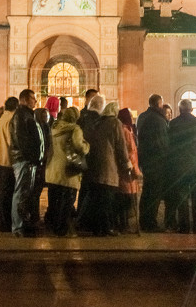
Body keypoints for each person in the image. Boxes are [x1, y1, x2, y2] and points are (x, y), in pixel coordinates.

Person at [77, 95, 130, 236]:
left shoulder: (96, 122)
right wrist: (126, 164)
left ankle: (96, 228)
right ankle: (105, 228)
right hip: (108, 167)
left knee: (96, 198)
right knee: (106, 199)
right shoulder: (114, 123)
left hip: (93, 166)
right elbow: (121, 146)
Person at [45, 106, 89, 236]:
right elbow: (79, 146)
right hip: (67, 170)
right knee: (66, 202)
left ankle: (52, 226)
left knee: (54, 201)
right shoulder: (75, 129)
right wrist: (87, 146)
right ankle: (61, 229)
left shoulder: (54, 127)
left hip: (52, 168)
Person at [167, 98, 196, 233]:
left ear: (179, 109)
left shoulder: (173, 124)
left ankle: (184, 226)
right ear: (191, 109)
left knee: (182, 197)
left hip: (180, 166)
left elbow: (170, 145)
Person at [9, 88, 45, 237]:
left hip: (28, 160)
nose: (35, 101)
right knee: (21, 193)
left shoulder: (27, 115)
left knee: (25, 193)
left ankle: (24, 224)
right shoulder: (21, 116)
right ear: (23, 99)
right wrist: (31, 158)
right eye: (32, 98)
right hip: (23, 160)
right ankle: (18, 227)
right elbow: (22, 140)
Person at [137, 93, 169, 232]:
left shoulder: (142, 116)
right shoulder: (158, 119)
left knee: (146, 191)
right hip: (157, 161)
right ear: (159, 104)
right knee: (154, 193)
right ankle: (150, 222)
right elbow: (163, 142)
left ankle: (143, 220)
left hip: (145, 159)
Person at [0, 96, 19, 232]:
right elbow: (11, 140)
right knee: (6, 193)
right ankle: (4, 222)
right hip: (7, 159)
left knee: (2, 191)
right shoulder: (11, 119)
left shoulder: (3, 117)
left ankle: (1, 220)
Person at [117, 107, 142, 232]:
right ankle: (124, 225)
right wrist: (136, 170)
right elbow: (131, 151)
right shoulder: (126, 131)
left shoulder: (124, 129)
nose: (132, 119)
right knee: (127, 198)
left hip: (124, 168)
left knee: (124, 198)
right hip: (128, 170)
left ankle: (123, 223)